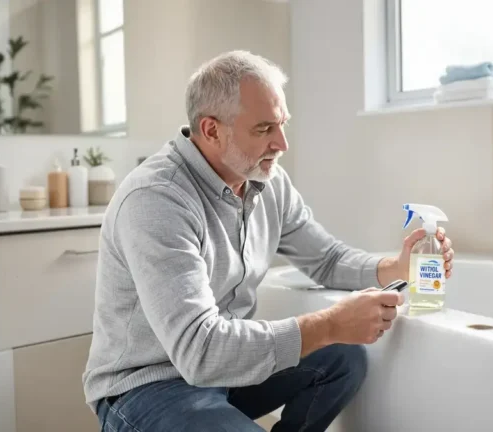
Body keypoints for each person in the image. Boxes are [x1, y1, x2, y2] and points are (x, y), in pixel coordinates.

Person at [82, 50, 455, 432]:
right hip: (148, 386)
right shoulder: (156, 199)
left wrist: (395, 268)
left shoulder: (265, 180)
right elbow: (201, 350)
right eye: (263, 129)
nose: (282, 143)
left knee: (345, 358)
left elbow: (325, 259)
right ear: (211, 130)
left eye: (282, 124)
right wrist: (329, 323)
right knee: (331, 337)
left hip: (222, 372)